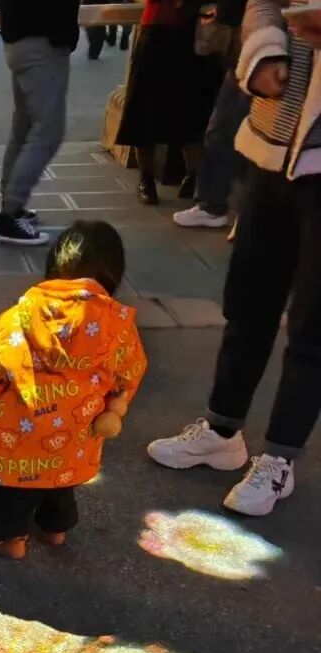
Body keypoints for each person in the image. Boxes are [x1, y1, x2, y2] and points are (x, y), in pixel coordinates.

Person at [148, 1, 321, 515]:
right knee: (248, 300)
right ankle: (222, 430)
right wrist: (264, 53)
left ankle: (280, 457)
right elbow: (262, 3)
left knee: (312, 322)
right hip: (272, 141)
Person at [0, 221, 147, 560]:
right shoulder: (119, 327)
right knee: (60, 489)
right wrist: (114, 408)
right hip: (76, 438)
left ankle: (9, 541)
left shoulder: (15, 319)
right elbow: (128, 376)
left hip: (15, 440)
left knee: (9, 496)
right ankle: (55, 530)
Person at [117, 0, 224, 205]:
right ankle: (146, 179)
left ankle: (193, 177)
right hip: (157, 29)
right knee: (145, 110)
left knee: (191, 110)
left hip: (193, 31)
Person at [0, 1, 82, 247]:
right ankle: (10, 214)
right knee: (48, 131)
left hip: (20, 36)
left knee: (24, 128)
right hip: (43, 38)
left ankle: (11, 204)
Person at [174, 0, 250, 228]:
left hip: (255, 54)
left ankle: (213, 205)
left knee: (223, 131)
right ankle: (225, 206)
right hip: (253, 52)